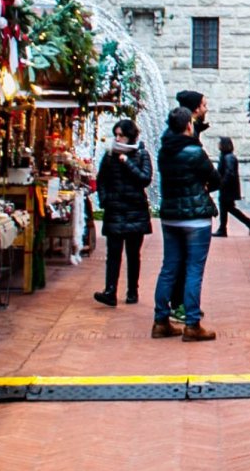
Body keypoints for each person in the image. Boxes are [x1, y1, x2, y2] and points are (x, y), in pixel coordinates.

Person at [152, 106, 221, 342]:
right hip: (196, 219)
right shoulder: (195, 152)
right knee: (193, 270)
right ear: (188, 126)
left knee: (169, 267)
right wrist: (204, 186)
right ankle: (192, 324)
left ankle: (161, 321)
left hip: (171, 216)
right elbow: (215, 179)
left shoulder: (163, 152)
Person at [92, 118, 152, 306]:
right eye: (116, 135)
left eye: (122, 136)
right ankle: (110, 291)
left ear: (130, 136)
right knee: (113, 253)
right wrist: (104, 200)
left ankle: (132, 290)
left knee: (133, 254)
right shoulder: (109, 156)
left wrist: (127, 162)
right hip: (115, 210)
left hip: (135, 211)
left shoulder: (141, 154)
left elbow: (145, 179)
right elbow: (101, 179)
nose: (118, 139)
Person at [214, 136, 250, 237]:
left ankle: (223, 229)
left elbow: (229, 173)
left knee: (227, 208)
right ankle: (247, 223)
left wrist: (222, 184)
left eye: (220, 143)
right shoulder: (225, 156)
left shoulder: (229, 157)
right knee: (228, 208)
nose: (218, 145)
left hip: (228, 189)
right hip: (227, 188)